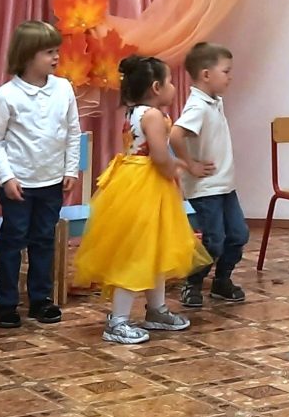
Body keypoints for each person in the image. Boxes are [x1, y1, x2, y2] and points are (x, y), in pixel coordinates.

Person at [73, 56, 209, 345]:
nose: (174, 87)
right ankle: (118, 320)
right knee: (135, 251)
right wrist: (176, 168)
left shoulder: (135, 111)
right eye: (169, 81)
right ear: (156, 87)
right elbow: (158, 155)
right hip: (145, 186)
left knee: (154, 249)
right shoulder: (153, 116)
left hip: (137, 182)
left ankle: (156, 309)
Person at [0, 20, 80, 329]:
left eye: (56, 51)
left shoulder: (63, 88)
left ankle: (41, 299)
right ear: (27, 55)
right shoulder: (7, 95)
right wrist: (7, 178)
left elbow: (73, 132)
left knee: (43, 241)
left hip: (51, 182)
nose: (56, 57)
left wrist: (70, 169)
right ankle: (6, 304)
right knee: (12, 242)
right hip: (19, 185)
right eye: (48, 52)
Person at [174, 42, 248, 309]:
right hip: (206, 188)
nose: (230, 77)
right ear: (206, 75)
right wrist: (190, 165)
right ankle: (192, 283)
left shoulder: (214, 101)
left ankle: (222, 281)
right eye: (225, 71)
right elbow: (175, 135)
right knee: (214, 240)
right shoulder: (198, 106)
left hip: (224, 186)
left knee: (238, 235)